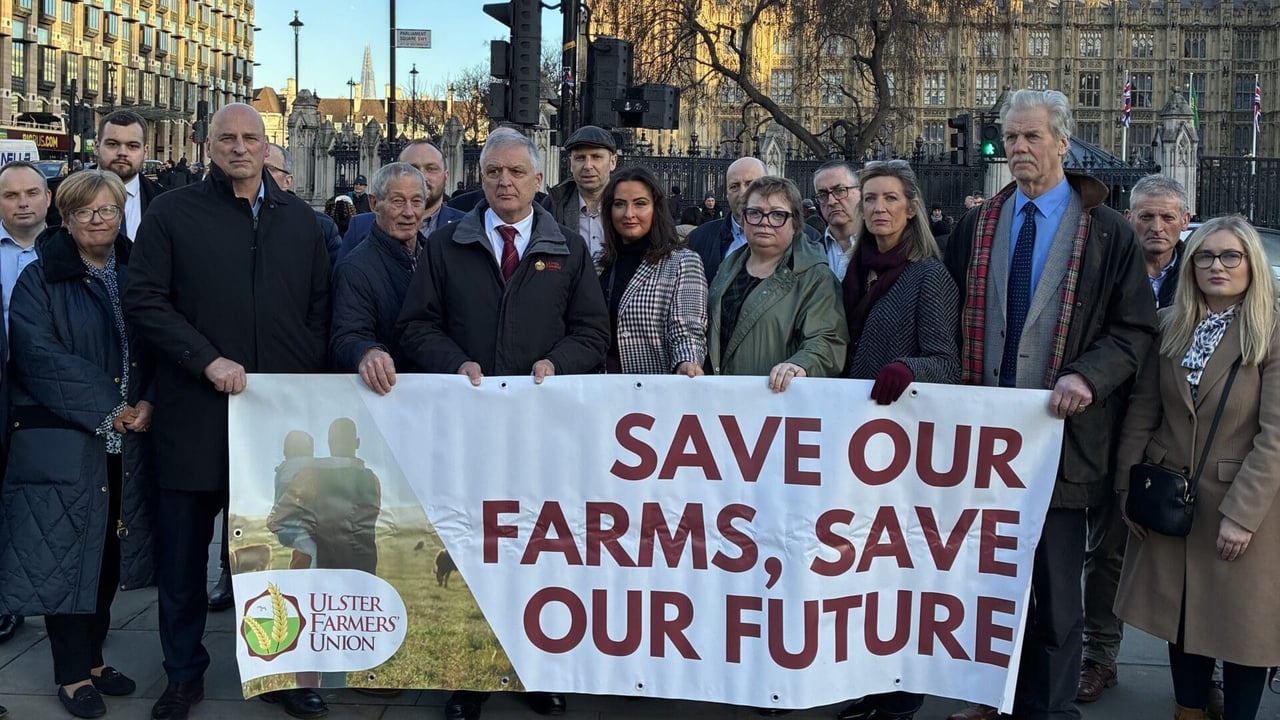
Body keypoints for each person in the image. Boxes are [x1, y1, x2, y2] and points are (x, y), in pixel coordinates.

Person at [943, 88, 1157, 720]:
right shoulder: (980, 225)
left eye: (1031, 137)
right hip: (986, 443)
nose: (1018, 148)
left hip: (1064, 444)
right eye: (1010, 137)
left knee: (1059, 594)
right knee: (989, 587)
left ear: (1064, 143)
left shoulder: (1108, 231)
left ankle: (1050, 710)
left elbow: (1135, 331)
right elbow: (948, 316)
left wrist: (1088, 377)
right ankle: (994, 698)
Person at [123, 103, 331, 720]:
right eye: (227, 138)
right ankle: (184, 675)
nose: (240, 148)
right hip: (195, 414)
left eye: (251, 138)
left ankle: (282, 671)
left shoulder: (301, 220)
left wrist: (300, 382)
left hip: (276, 427)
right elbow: (144, 299)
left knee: (275, 555)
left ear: (269, 146)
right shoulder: (172, 214)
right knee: (184, 559)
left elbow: (319, 308)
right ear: (207, 144)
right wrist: (205, 359)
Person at [397, 127, 608, 720]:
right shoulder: (445, 247)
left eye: (517, 172)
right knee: (475, 550)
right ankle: (469, 676)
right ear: (479, 178)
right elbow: (417, 325)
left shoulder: (567, 248)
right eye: (494, 173)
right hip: (470, 431)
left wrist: (555, 363)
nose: (505, 182)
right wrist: (454, 363)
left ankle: (536, 669)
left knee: (540, 553)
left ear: (539, 181)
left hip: (543, 434)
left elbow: (593, 333)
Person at [0, 169, 154, 719]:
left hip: (127, 440)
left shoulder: (140, 270)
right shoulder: (41, 278)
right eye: (84, 211)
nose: (97, 220)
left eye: (107, 210)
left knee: (110, 554)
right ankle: (70, 676)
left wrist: (148, 401)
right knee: (68, 556)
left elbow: (158, 342)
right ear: (63, 218)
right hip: (68, 438)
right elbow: (40, 357)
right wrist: (110, 408)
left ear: (121, 213)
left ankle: (92, 659)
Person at [1114, 216, 1280, 720]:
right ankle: (1188, 710)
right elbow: (1143, 412)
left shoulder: (1270, 331)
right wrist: (1130, 490)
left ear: (1252, 264)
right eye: (1205, 257)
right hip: (1170, 498)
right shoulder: (1169, 324)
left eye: (1231, 256)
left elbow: (1275, 434)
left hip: (1240, 501)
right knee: (1182, 618)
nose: (1216, 266)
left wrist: (1243, 514)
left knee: (1243, 629)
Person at [835, 161, 959, 720]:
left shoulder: (928, 274)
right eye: (870, 199)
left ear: (911, 207)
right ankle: (869, 681)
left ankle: (903, 695)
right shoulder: (856, 268)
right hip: (854, 438)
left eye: (889, 199)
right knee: (857, 570)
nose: (879, 208)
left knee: (898, 573)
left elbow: (946, 362)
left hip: (902, 445)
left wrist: (907, 367)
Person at [1079, 174, 1193, 704]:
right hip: (1107, 426)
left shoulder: (1201, 273)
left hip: (1177, 436)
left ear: (1185, 222)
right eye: (1146, 216)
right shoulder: (1109, 268)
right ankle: (1099, 654)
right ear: (1130, 220)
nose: (1157, 226)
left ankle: (1198, 672)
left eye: (1168, 217)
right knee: (1107, 551)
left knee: (1185, 557)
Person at [706, 175, 847, 385]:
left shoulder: (815, 276)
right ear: (743, 219)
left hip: (775, 401)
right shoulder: (729, 266)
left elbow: (827, 339)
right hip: (722, 401)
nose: (764, 222)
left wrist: (801, 365)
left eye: (777, 215)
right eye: (755, 213)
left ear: (795, 223)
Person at [0, 160, 53, 651]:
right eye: (11, 195)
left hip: (44, 399)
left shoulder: (62, 252)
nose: (22, 203)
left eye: (32, 194)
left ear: (47, 199)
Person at [331, 162, 429, 395]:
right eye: (397, 201)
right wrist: (367, 353)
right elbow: (346, 337)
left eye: (416, 202)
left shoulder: (436, 256)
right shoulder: (355, 268)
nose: (408, 212)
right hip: (387, 395)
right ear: (374, 203)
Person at [598, 166, 707, 375]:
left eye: (640, 204)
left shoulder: (682, 262)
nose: (629, 214)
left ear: (655, 208)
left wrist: (686, 362)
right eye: (620, 204)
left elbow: (687, 329)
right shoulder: (598, 263)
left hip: (652, 392)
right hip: (599, 388)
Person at [338, 140, 464, 262]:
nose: (421, 176)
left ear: (446, 177)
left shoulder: (465, 225)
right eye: (411, 169)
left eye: (431, 169)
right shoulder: (360, 226)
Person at [688, 157, 767, 284]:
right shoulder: (698, 239)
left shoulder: (802, 237)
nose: (743, 193)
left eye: (750, 184)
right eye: (734, 186)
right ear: (727, 195)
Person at [547, 124, 618, 265]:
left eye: (596, 157)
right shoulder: (552, 207)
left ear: (612, 162)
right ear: (570, 164)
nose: (588, 166)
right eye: (580, 158)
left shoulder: (629, 207)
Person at [92, 110, 165, 241]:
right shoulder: (60, 196)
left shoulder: (165, 203)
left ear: (145, 151)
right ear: (96, 147)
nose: (122, 153)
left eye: (132, 146)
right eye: (113, 144)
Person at [812, 159, 862, 280]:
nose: (831, 201)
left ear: (861, 192)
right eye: (823, 195)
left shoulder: (882, 249)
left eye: (840, 191)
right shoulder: (809, 254)